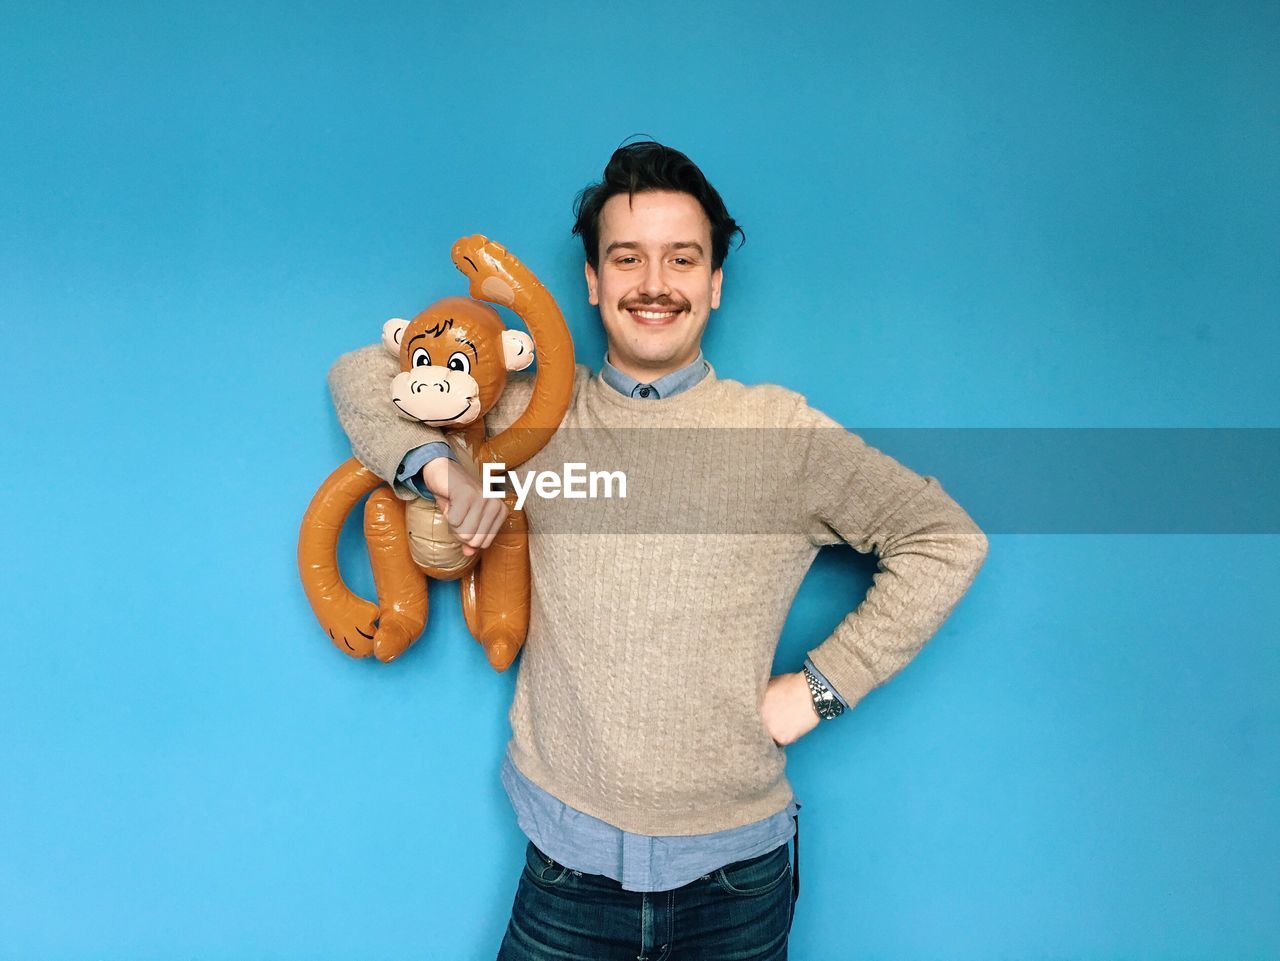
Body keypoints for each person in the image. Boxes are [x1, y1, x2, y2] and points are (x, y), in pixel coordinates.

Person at [327, 141, 989, 961]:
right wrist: (439, 470)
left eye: (683, 259)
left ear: (713, 283)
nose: (653, 283)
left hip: (735, 885)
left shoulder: (780, 433)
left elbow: (945, 538)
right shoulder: (536, 416)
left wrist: (820, 689)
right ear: (594, 282)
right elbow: (360, 374)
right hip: (566, 876)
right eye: (627, 257)